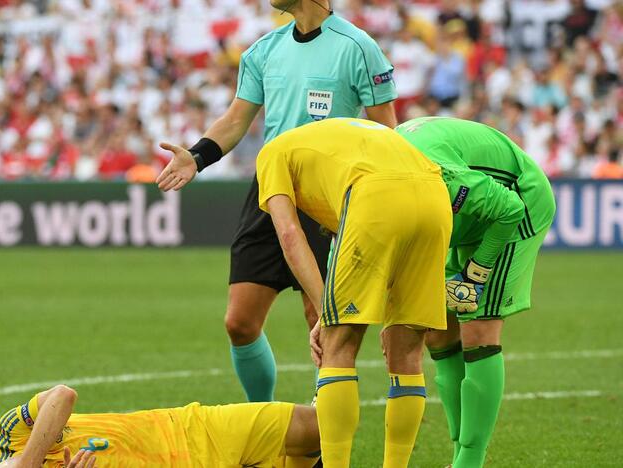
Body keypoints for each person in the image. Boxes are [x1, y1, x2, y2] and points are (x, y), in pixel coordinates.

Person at [157, 0, 398, 404]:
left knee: (323, 321)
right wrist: (197, 157)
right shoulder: (263, 50)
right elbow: (236, 120)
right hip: (271, 189)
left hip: (329, 195)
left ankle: (324, 445)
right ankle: (264, 420)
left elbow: (387, 130)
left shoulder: (358, 47)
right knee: (240, 323)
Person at [256, 117, 452, 467]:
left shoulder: (272, 153)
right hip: (436, 196)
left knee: (339, 344)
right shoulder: (348, 136)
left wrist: (323, 311)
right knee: (407, 352)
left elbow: (289, 234)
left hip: (375, 195)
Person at [395, 117, 557, 468]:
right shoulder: (374, 179)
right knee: (437, 333)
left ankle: (469, 460)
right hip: (465, 221)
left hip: (517, 205)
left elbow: (509, 209)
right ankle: (458, 448)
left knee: (478, 326)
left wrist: (476, 272)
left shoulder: (439, 177)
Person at [0, 384, 321, 468]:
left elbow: (62, 396)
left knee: (320, 429)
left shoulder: (11, 434)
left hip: (191, 430)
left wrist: (29, 463)